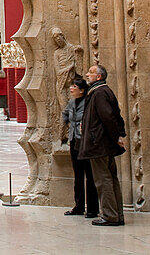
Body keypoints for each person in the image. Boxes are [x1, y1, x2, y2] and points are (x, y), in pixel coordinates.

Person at [78, 64, 126, 226]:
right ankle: (116, 214)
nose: (87, 74)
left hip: (99, 144)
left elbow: (108, 117)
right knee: (110, 178)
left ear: (99, 77)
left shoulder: (99, 93)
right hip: (103, 143)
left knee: (103, 179)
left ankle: (110, 215)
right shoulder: (101, 92)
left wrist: (116, 137)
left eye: (91, 72)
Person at [62, 78, 98, 218]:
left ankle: (92, 208)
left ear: (82, 90)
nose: (71, 88)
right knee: (78, 175)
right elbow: (65, 114)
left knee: (89, 175)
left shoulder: (88, 102)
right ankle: (78, 206)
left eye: (74, 86)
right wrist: (70, 125)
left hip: (85, 142)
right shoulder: (71, 102)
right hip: (74, 140)